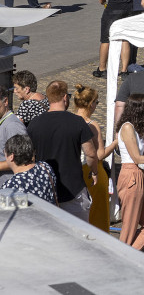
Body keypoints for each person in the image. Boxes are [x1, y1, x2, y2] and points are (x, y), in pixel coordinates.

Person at [27, 80, 100, 220]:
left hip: (46, 190)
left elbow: (29, 157)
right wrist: (94, 171)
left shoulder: (34, 124)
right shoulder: (77, 122)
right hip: (73, 190)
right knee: (79, 234)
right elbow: (90, 154)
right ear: (65, 97)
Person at [70, 85, 110, 230]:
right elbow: (99, 154)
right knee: (98, 213)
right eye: (96, 102)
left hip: (74, 171)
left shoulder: (69, 120)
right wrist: (116, 143)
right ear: (91, 103)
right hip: (92, 171)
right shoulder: (92, 125)